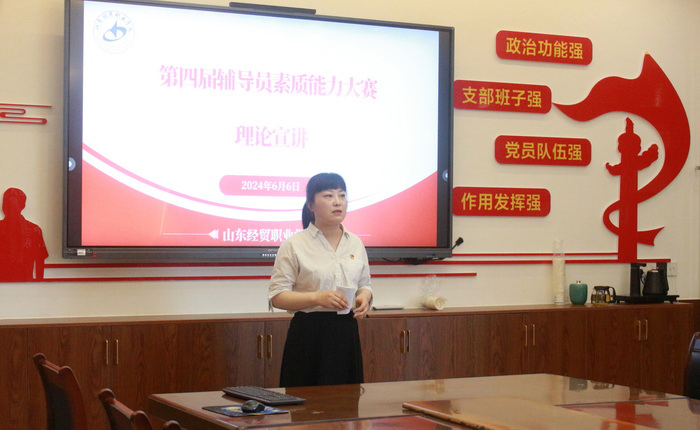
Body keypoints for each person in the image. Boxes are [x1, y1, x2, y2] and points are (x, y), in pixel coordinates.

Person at [268, 172, 373, 387]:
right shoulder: (294, 244)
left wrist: (364, 297)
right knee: (305, 401)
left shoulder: (355, 243)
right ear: (311, 205)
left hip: (347, 331)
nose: (337, 201)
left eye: (342, 195)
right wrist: (317, 298)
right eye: (328, 195)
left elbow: (364, 285)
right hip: (309, 333)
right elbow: (278, 296)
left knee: (347, 401)